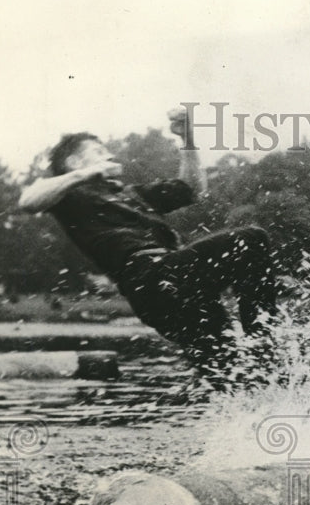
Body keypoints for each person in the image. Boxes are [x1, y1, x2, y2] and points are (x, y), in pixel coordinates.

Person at [18, 108, 277, 387]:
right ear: (74, 161)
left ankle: (258, 392)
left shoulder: (133, 195)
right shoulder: (71, 197)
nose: (109, 155)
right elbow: (29, 201)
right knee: (251, 239)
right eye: (98, 150)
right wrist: (88, 173)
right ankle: (264, 347)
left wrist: (187, 139)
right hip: (152, 280)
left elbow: (191, 188)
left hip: (178, 289)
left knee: (236, 378)